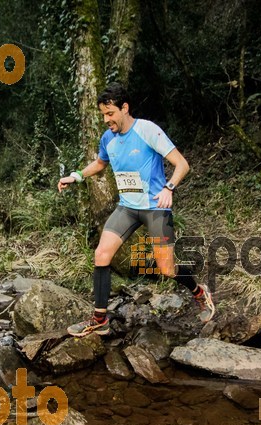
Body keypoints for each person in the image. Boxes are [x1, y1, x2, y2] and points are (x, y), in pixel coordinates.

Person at [58, 83, 215, 337]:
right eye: (103, 115)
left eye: (110, 114)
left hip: (155, 209)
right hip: (128, 208)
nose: (106, 120)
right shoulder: (108, 138)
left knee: (166, 268)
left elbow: (182, 164)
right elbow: (99, 163)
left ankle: (199, 292)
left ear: (124, 108)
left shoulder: (147, 130)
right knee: (101, 254)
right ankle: (100, 318)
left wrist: (169, 188)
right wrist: (76, 176)